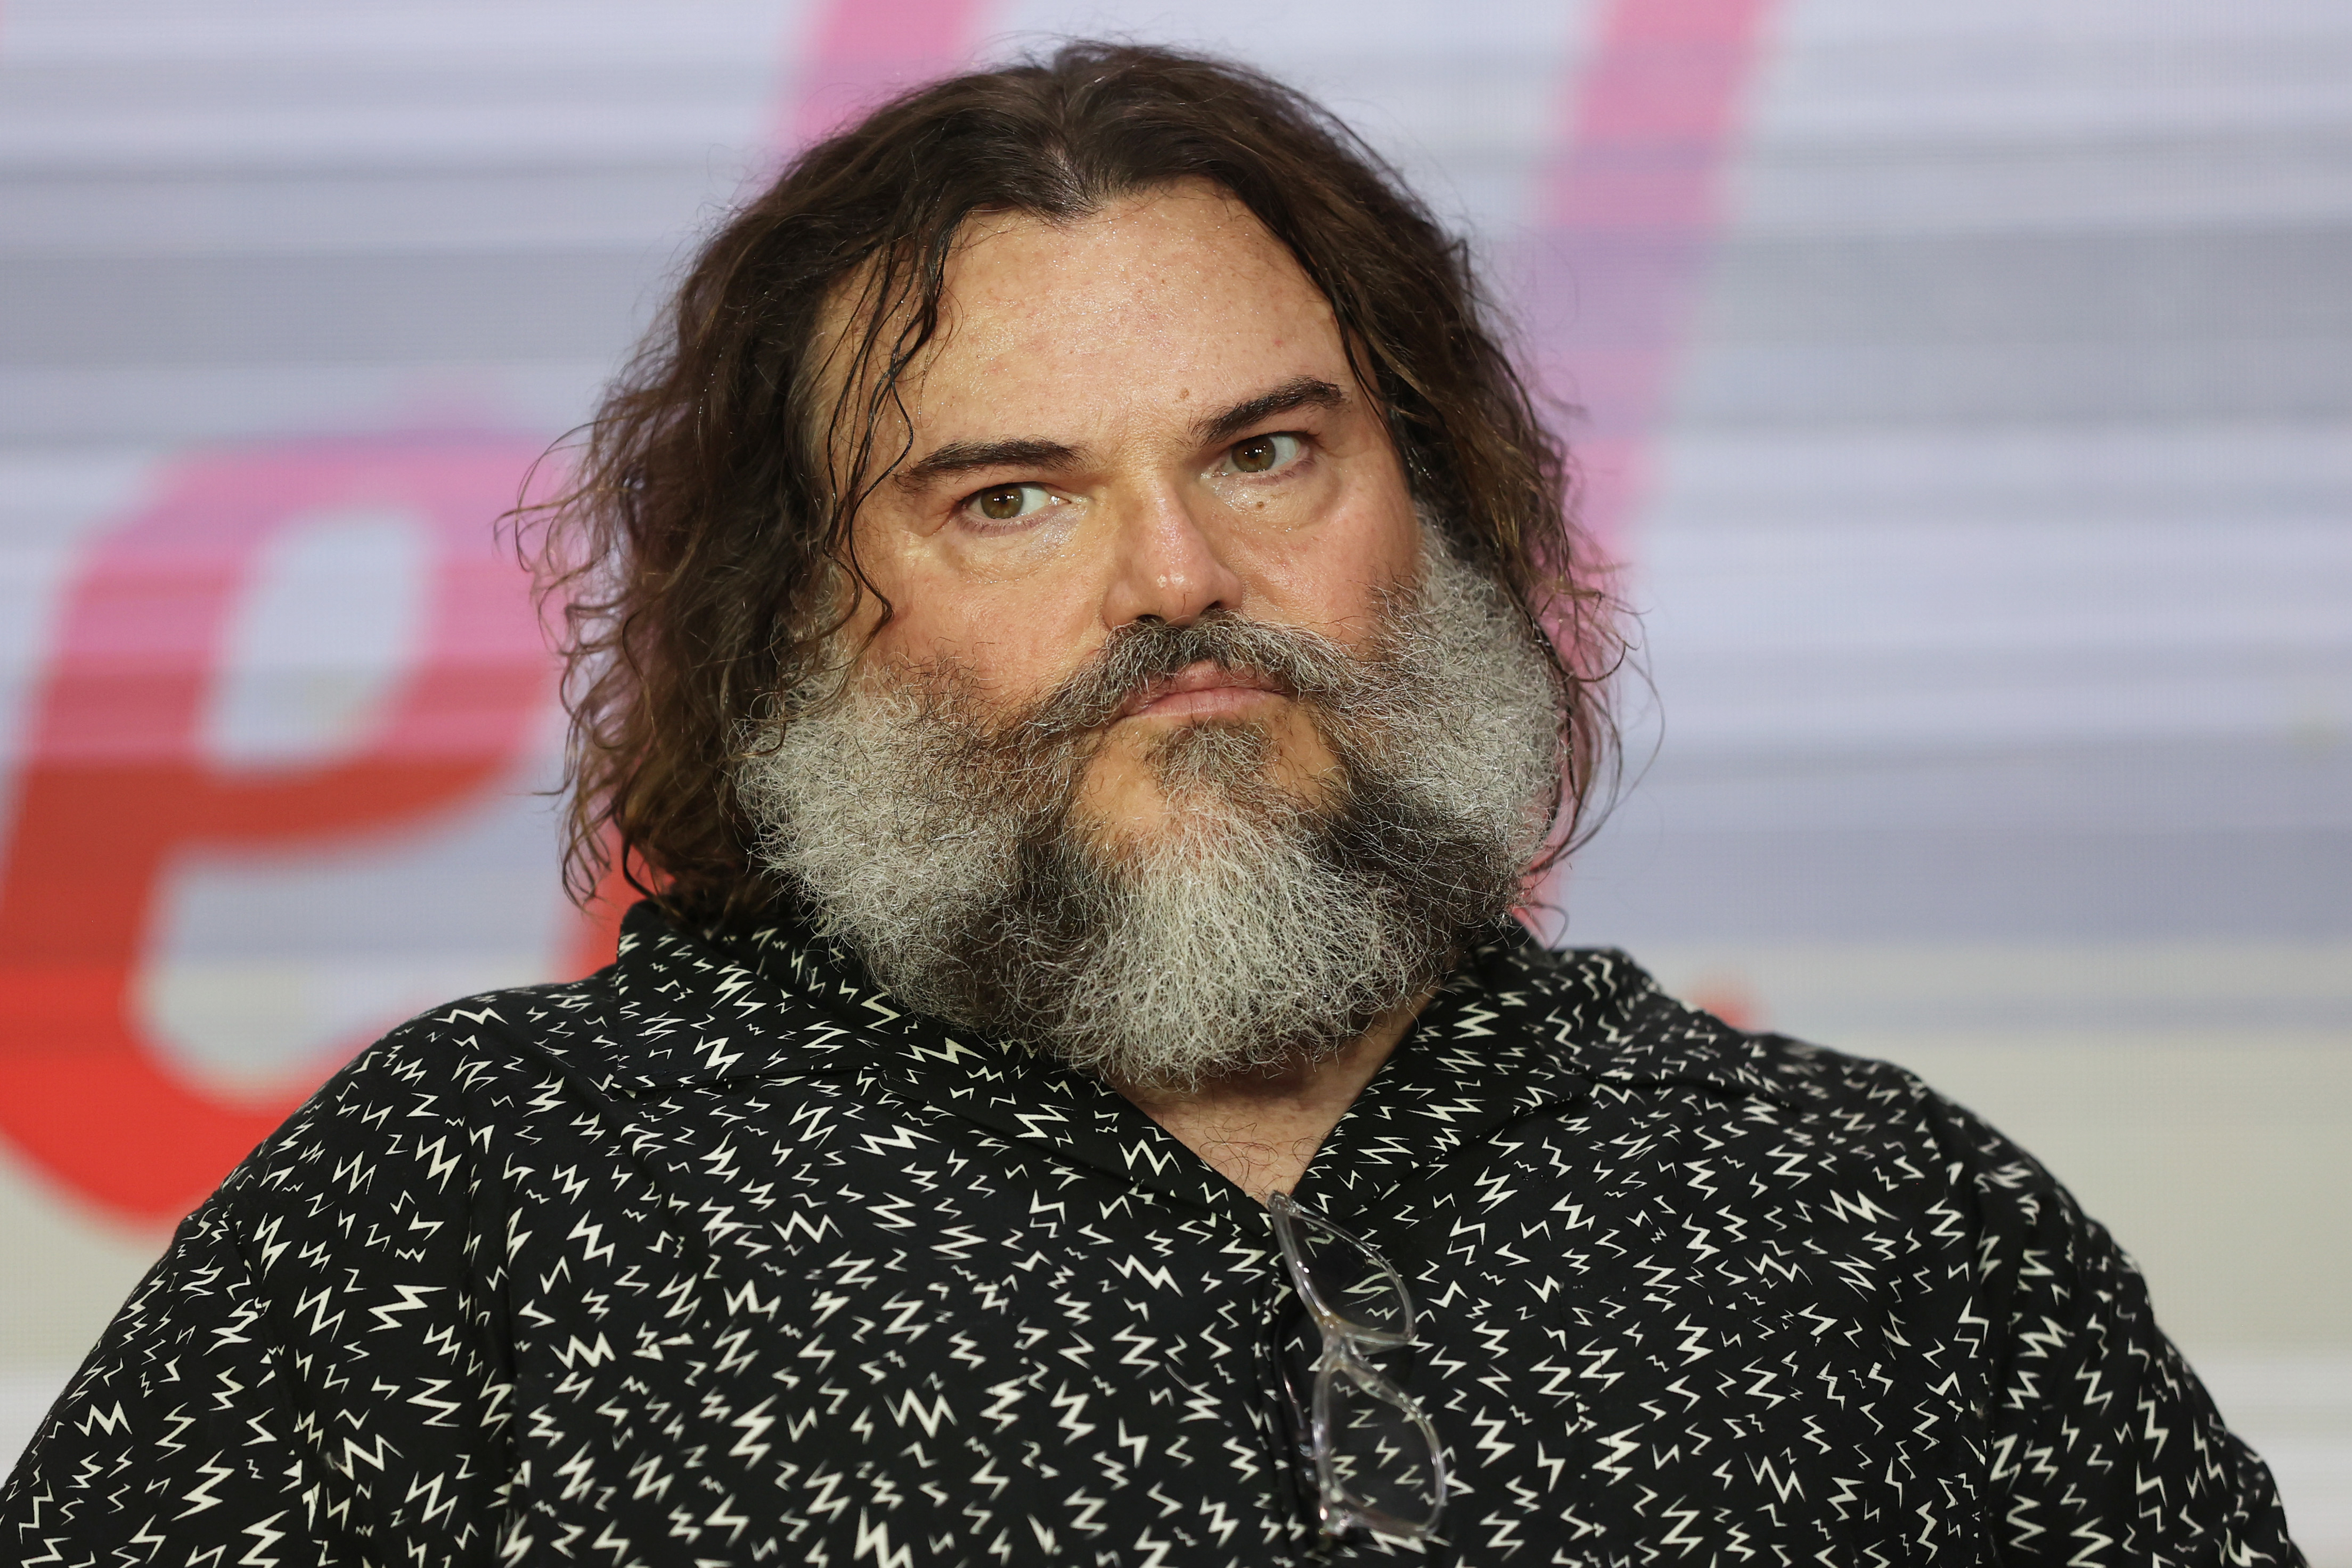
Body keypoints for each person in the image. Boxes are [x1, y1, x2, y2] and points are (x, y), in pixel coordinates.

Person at [2, 41, 2303, 1567]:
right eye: (1010, 496)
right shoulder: (485, 1185)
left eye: (1266, 449)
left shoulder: (1874, 1219)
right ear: (814, 616)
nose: (1178, 575)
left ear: (1445, 503)